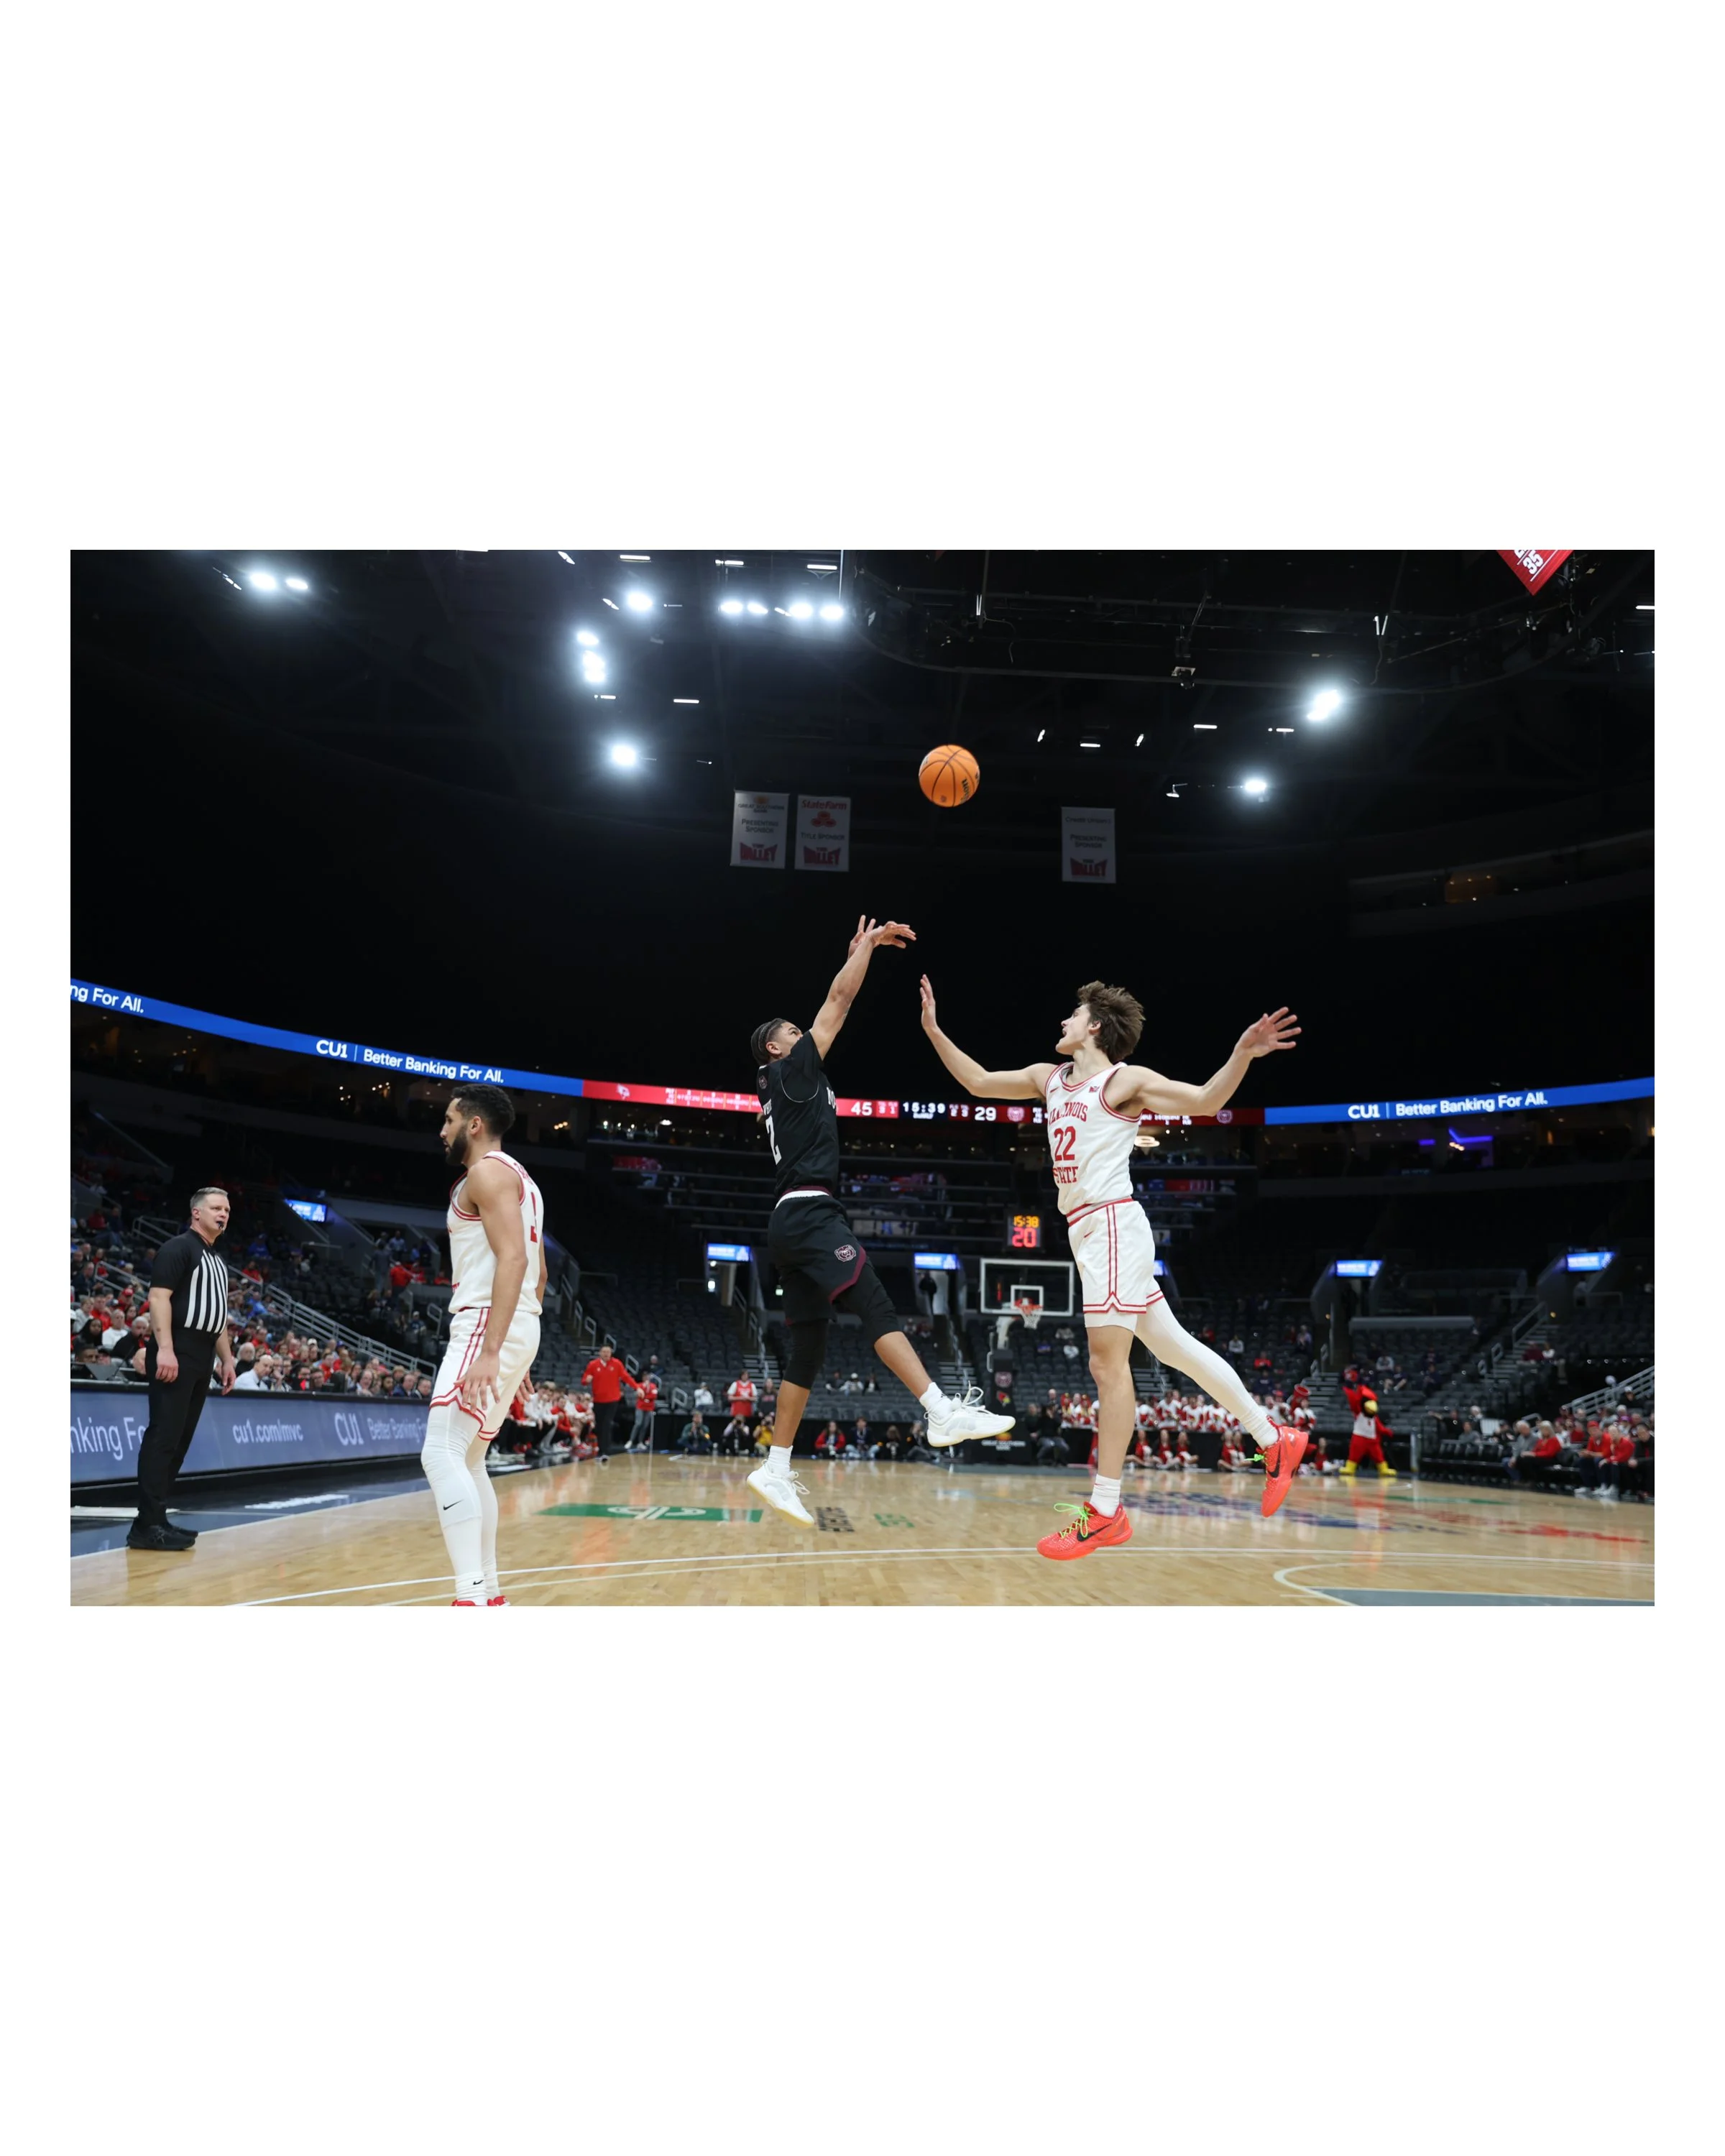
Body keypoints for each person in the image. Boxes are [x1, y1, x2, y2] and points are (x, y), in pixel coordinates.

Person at [920, 974, 1305, 1559]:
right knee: (1174, 1348)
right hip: (1089, 1234)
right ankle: (1273, 1437)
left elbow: (1205, 1101)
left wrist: (1240, 1054)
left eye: (1072, 1016)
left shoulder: (1125, 1081)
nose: (1063, 1023)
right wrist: (932, 1029)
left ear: (1094, 1026)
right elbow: (977, 1081)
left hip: (1113, 1226)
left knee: (1107, 1365)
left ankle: (1106, 1509)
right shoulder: (1045, 1079)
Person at [743, 916, 1014, 1524]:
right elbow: (839, 1000)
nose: (804, 1031)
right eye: (794, 1030)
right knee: (876, 1306)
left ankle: (776, 1465)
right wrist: (865, 949)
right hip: (811, 1213)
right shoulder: (792, 1071)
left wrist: (857, 954)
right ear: (776, 1048)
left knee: (808, 1348)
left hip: (791, 1219)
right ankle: (939, 1409)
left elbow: (836, 996)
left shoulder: (784, 1084)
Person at [421, 1087, 546, 1608]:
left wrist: (494, 1348)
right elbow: (541, 1273)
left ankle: (469, 1598)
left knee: (440, 1452)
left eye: (450, 1120)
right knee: (471, 1459)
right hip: (516, 1323)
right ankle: (490, 1593)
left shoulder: (486, 1172)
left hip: (485, 1323)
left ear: (474, 1124)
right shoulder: (526, 1180)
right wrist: (519, 1343)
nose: (443, 1130)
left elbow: (515, 1261)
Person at [126, 1187, 239, 1551]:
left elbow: (217, 1319)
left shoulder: (217, 1260)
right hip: (177, 1347)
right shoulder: (179, 1248)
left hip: (203, 1354)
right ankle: (147, 1525)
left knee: (179, 1442)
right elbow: (159, 1298)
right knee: (164, 1437)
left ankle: (153, 1520)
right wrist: (166, 1350)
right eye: (216, 1208)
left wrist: (228, 1359)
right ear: (196, 1213)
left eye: (227, 1209)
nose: (224, 1213)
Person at [581, 1342, 641, 1465]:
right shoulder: (593, 1365)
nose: (606, 1354)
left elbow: (626, 1377)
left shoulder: (617, 1364)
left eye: (608, 1352)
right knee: (600, 1425)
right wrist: (586, 1380)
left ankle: (605, 1452)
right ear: (600, 1353)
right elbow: (584, 1380)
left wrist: (637, 1388)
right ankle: (600, 1450)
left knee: (607, 1424)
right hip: (598, 1400)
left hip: (612, 1400)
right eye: (604, 1352)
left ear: (611, 1353)